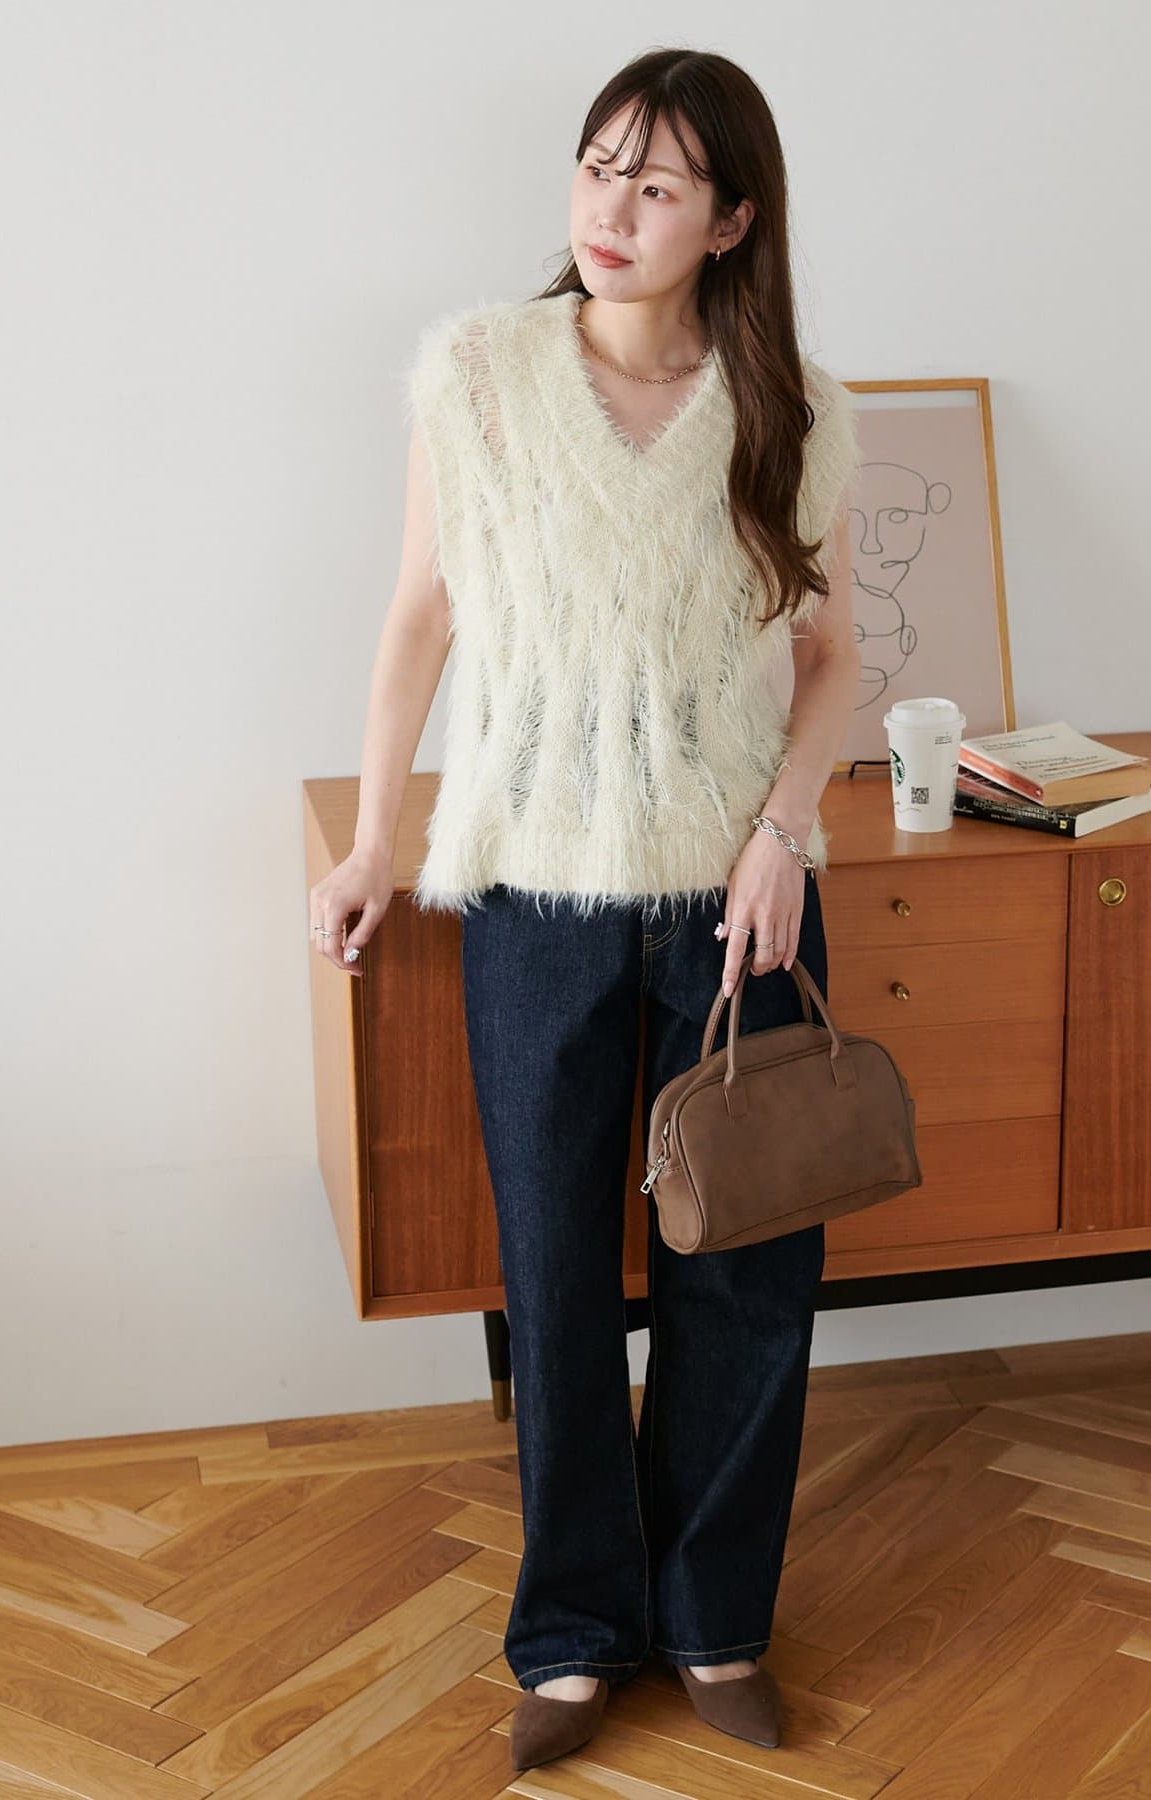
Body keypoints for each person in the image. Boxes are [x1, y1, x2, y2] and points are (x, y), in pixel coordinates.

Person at [309, 47, 860, 1773]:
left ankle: (715, 1620)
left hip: (735, 900)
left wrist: (786, 831)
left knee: (745, 1265)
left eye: (659, 184)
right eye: (599, 166)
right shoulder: (479, 376)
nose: (613, 209)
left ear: (731, 221)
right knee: (552, 1268)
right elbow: (419, 619)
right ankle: (570, 1636)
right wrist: (375, 842)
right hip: (535, 887)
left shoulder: (791, 407)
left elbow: (834, 659)